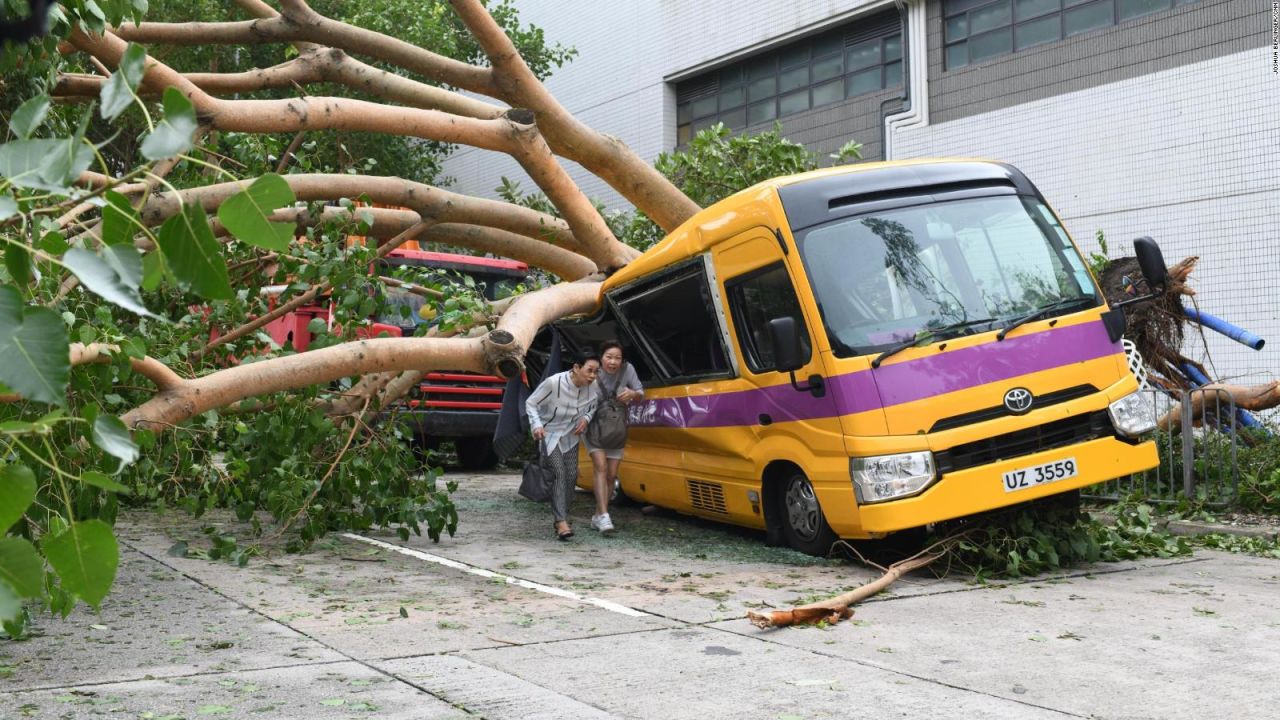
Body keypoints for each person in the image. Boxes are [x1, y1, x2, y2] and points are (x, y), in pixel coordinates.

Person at [526, 350, 600, 540]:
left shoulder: (594, 387)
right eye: (589, 370)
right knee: (558, 472)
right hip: (548, 433)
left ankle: (563, 516)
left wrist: (586, 417)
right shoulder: (554, 383)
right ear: (576, 368)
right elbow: (531, 403)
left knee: (572, 474)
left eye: (596, 372)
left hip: (570, 434)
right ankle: (561, 522)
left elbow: (594, 405)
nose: (593, 376)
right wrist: (536, 425)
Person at [585, 340, 644, 535]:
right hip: (593, 426)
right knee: (600, 467)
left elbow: (641, 393)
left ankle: (598, 515)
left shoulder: (628, 370)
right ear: (601, 358)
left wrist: (632, 393)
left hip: (617, 427)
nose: (613, 362)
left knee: (611, 474)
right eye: (609, 357)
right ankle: (604, 516)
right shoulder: (593, 371)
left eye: (617, 358)